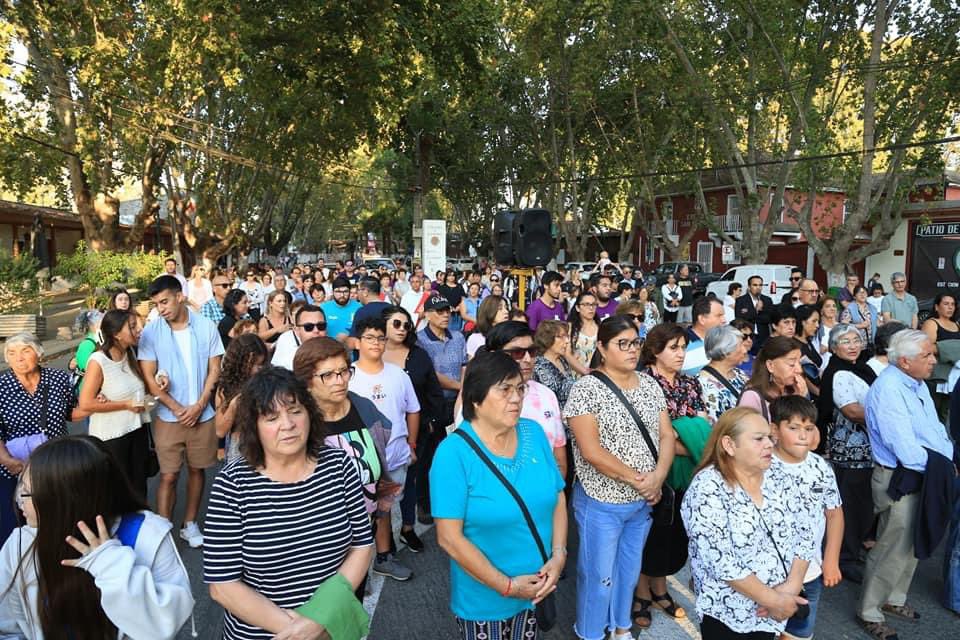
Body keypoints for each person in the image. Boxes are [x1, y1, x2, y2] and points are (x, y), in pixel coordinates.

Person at [204, 368, 374, 640]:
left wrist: (320, 619)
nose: (288, 424)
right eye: (271, 417)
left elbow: (362, 545)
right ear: (254, 426)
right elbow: (222, 584)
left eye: (295, 411)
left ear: (309, 413)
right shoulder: (233, 484)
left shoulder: (339, 466)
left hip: (330, 626)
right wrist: (300, 630)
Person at [0, 436, 194, 639]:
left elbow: (163, 627)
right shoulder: (21, 543)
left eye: (26, 492)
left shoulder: (147, 536)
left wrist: (109, 563)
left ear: (64, 499)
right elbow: (9, 626)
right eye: (20, 486)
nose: (18, 499)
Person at [432, 351, 567, 639]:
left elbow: (558, 497)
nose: (516, 397)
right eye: (504, 389)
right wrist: (507, 586)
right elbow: (449, 538)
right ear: (476, 399)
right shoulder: (452, 454)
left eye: (519, 388)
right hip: (485, 600)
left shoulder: (533, 433)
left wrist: (559, 555)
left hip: (536, 590)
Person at [563, 316, 674, 640]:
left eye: (635, 343)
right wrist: (641, 480)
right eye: (621, 344)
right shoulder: (586, 389)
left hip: (641, 502)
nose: (631, 350)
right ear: (601, 346)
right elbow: (591, 451)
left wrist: (658, 476)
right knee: (598, 576)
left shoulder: (650, 384)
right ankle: (591, 632)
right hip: (601, 501)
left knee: (627, 572)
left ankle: (621, 626)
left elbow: (666, 435)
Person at [682, 407, 814, 640]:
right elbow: (721, 560)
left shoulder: (779, 475)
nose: (769, 444)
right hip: (728, 612)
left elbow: (806, 530)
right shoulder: (707, 488)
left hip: (777, 606)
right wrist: (772, 600)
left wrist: (791, 587)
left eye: (769, 438)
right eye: (758, 439)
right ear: (729, 445)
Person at [856, 330, 955, 639]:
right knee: (891, 546)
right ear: (904, 361)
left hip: (927, 471)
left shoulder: (916, 383)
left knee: (912, 542)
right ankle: (869, 610)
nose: (934, 360)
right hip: (901, 475)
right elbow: (906, 450)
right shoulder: (889, 389)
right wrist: (944, 468)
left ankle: (893, 599)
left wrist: (947, 459)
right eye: (927, 356)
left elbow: (935, 429)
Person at [634, 322, 712, 628]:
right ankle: (642, 593)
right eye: (674, 347)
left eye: (683, 347)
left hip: (685, 475)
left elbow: (703, 428)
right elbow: (649, 436)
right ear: (655, 351)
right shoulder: (642, 384)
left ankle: (661, 588)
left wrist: (681, 435)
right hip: (652, 472)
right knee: (649, 535)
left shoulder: (690, 384)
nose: (681, 354)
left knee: (673, 534)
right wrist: (685, 436)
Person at [139, 275, 224, 548]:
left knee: (198, 469)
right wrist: (177, 408)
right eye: (156, 303)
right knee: (169, 474)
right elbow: (149, 377)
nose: (161, 308)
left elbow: (215, 369)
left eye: (165, 301)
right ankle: (164, 529)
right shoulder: (152, 331)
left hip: (203, 413)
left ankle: (190, 524)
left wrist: (200, 404)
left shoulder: (207, 326)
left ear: (180, 296)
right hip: (167, 416)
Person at [350, 315, 421, 581]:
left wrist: (411, 444)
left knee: (384, 509)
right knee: (355, 513)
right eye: (369, 337)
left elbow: (413, 410)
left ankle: (383, 558)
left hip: (394, 457)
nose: (376, 343)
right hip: (359, 462)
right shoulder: (348, 376)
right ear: (357, 342)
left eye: (381, 338)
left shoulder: (398, 375)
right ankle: (351, 568)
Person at [766, 396, 844, 640]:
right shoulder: (762, 465)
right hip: (766, 576)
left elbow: (834, 514)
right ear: (774, 430)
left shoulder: (821, 468)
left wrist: (830, 560)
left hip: (809, 574)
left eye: (809, 428)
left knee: (798, 633)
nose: (803, 435)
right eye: (793, 428)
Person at [0, 334, 87, 542]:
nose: (19, 358)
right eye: (12, 353)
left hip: (55, 463)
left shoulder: (57, 379)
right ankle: (18, 567)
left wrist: (95, 405)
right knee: (15, 526)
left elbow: (70, 412)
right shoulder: (1, 386)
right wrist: (6, 460)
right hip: (16, 467)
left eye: (25, 351)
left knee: (59, 515)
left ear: (39, 353)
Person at [815, 324, 876, 584]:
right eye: (846, 341)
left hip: (867, 449)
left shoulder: (862, 367)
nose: (852, 345)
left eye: (856, 340)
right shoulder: (839, 373)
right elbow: (852, 411)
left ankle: (852, 551)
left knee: (861, 503)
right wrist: (887, 417)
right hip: (850, 451)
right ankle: (845, 558)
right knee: (850, 505)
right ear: (834, 347)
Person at [383, 306, 444, 555]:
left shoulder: (418, 356)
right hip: (381, 433)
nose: (402, 329)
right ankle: (383, 537)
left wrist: (431, 421)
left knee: (410, 480)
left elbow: (433, 391)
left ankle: (408, 528)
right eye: (396, 323)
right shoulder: (372, 355)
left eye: (406, 325)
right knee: (380, 487)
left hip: (416, 431)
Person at [78, 309, 153, 500]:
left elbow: (139, 388)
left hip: (137, 432)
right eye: (133, 326)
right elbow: (85, 403)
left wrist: (160, 379)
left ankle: (140, 529)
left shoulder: (130, 355)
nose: (139, 330)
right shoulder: (98, 361)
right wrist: (126, 405)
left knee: (139, 491)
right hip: (112, 440)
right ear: (116, 333)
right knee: (117, 495)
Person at [479, 322, 568, 479]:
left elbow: (559, 459)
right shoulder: (480, 399)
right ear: (494, 354)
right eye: (517, 353)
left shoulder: (547, 395)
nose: (527, 359)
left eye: (532, 352)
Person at [214, 334, 269, 462]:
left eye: (261, 364)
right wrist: (234, 405)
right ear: (240, 363)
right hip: (240, 446)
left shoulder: (267, 380)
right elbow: (220, 431)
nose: (258, 370)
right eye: (255, 365)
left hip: (266, 441)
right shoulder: (225, 387)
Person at [738, 336, 808, 420]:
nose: (799, 370)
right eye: (791, 364)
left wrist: (801, 399)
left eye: (799, 363)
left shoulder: (794, 389)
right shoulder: (752, 397)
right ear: (770, 365)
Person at [698, 325, 751, 425]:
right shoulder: (703, 384)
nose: (745, 350)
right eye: (741, 345)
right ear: (725, 352)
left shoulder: (739, 373)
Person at [533, 319, 577, 407]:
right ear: (547, 338)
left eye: (567, 336)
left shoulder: (562, 360)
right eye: (561, 337)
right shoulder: (539, 366)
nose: (567, 341)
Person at [271, 304, 327, 370]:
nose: (316, 330)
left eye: (321, 326)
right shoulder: (286, 340)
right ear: (297, 330)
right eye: (308, 327)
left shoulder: (332, 348)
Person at [682, 296, 727, 376]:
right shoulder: (681, 344)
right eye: (719, 316)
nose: (724, 320)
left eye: (723, 316)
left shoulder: (726, 340)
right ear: (702, 319)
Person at [70, 309, 104, 398]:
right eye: (102, 322)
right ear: (92, 325)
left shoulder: (99, 341)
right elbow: (88, 370)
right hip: (88, 390)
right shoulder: (87, 344)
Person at [736, 275, 774, 354]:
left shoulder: (767, 300)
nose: (758, 287)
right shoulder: (741, 300)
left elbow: (768, 318)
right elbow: (740, 319)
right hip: (748, 337)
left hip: (763, 337)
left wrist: (751, 315)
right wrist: (756, 311)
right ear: (749, 286)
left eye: (760, 285)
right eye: (755, 285)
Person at [321, 276, 363, 344]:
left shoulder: (359, 308)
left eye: (345, 291)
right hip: (330, 350)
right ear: (332, 292)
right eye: (338, 291)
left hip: (353, 351)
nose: (342, 295)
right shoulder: (323, 308)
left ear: (350, 291)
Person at [466, 293, 509, 359]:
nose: (506, 311)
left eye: (506, 308)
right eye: (500, 308)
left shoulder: (510, 337)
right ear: (489, 311)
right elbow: (473, 367)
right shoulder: (476, 339)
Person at [568, 291, 600, 375]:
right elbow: (567, 354)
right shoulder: (570, 328)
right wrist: (585, 372)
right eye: (586, 304)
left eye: (593, 304)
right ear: (578, 308)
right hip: (575, 374)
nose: (591, 308)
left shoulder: (601, 327)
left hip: (597, 374)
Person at [795, 304, 823, 397]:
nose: (817, 325)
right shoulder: (794, 345)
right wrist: (818, 392)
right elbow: (802, 376)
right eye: (814, 321)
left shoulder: (808, 341)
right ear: (803, 322)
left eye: (818, 321)